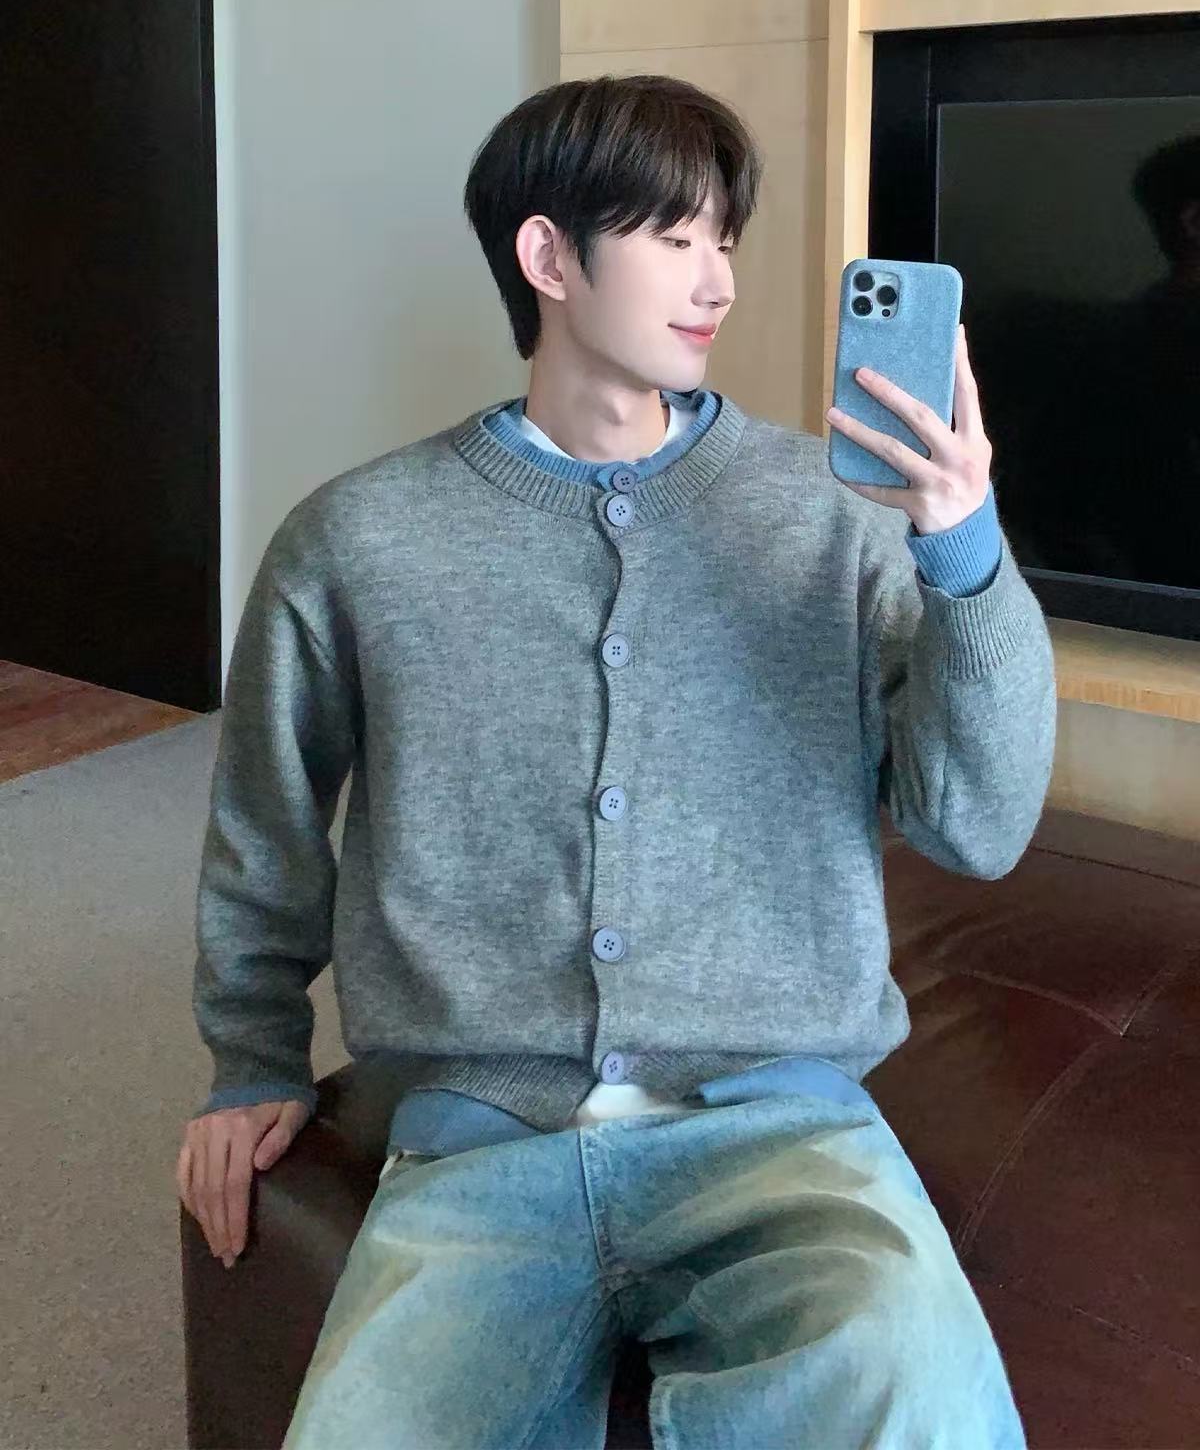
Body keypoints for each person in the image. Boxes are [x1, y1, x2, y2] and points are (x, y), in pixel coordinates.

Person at [176, 73, 1054, 1449]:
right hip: (476, 1145)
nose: (719, 282)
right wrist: (253, 1056)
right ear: (548, 257)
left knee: (917, 1405)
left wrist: (964, 549)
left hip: (784, 1138)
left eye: (726, 241)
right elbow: (266, 820)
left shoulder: (836, 520)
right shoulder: (358, 540)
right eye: (676, 237)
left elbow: (981, 827)